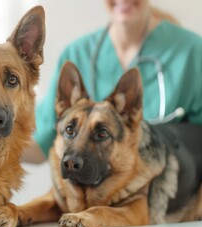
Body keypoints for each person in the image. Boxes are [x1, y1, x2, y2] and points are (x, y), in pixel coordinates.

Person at [24, 0, 202, 163]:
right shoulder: (76, 55)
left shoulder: (192, 52)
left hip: (168, 193)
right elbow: (41, 143)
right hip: (88, 195)